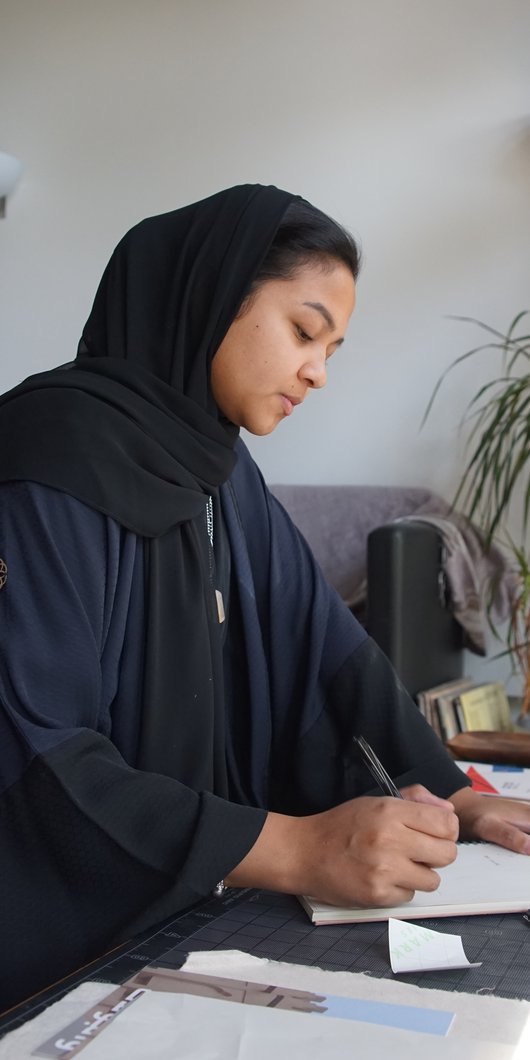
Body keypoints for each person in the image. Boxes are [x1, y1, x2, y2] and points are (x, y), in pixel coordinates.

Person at [0, 184, 529, 1010]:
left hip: (192, 902)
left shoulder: (223, 471)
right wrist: (295, 848)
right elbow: (34, 752)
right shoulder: (46, 459)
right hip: (58, 944)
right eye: (304, 331)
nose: (318, 371)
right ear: (209, 296)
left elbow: (326, 652)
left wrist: (450, 793)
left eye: (334, 349)